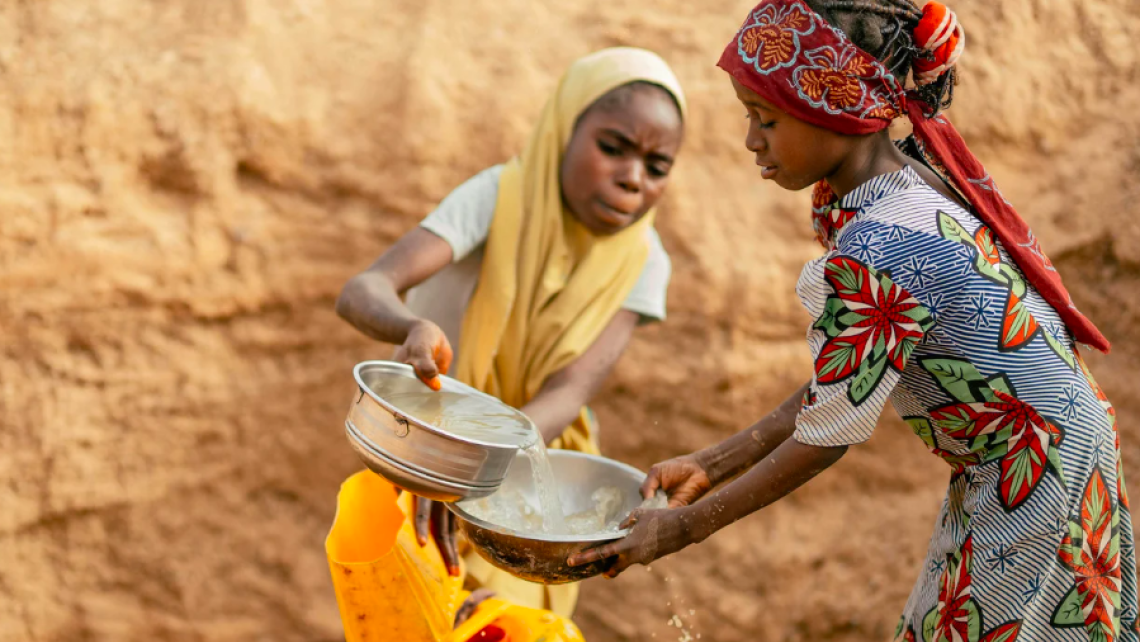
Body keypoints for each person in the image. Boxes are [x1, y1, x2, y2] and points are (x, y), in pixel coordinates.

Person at [569, 3, 1139, 640]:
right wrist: (713, 462)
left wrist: (678, 530)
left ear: (833, 107)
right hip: (1050, 452)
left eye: (766, 119)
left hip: (1035, 476)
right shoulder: (908, 188)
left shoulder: (879, 244)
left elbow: (828, 435)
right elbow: (849, 380)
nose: (751, 140)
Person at [336, 47, 686, 617]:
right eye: (612, 148)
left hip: (533, 470)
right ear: (563, 132)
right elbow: (363, 289)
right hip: (428, 451)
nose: (632, 179)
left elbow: (571, 390)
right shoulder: (499, 197)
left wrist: (478, 472)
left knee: (503, 618)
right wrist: (412, 326)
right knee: (409, 608)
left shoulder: (645, 262)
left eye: (657, 166)